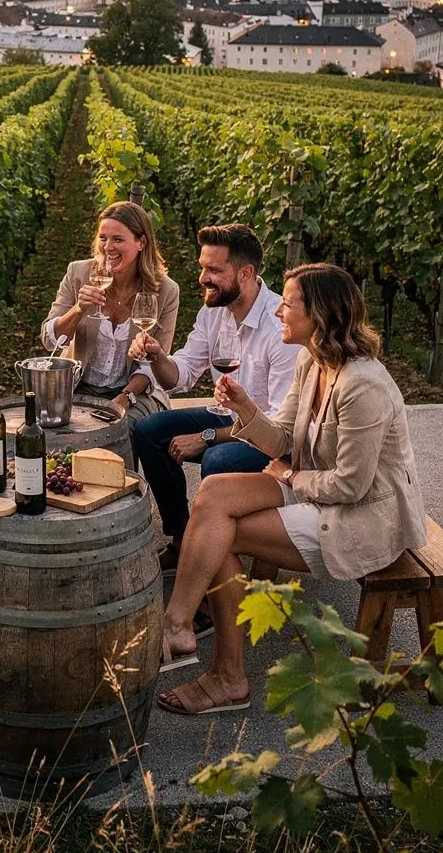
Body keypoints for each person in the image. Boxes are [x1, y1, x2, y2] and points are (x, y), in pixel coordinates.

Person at [157, 263, 427, 716]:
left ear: (319, 314)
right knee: (215, 494)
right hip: (318, 487)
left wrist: (287, 477)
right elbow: (282, 438)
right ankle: (180, 624)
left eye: (289, 302)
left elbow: (350, 485)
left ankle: (225, 674)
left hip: (364, 518)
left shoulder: (363, 386)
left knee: (224, 531)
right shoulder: (313, 360)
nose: (278, 310)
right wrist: (245, 409)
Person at [131, 224, 298, 571]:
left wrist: (205, 437)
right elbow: (181, 376)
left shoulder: (280, 325)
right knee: (149, 430)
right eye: (202, 267)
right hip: (230, 417)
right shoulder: (213, 311)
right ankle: (181, 539)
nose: (203, 278)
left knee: (217, 461)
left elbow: (280, 427)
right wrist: (157, 356)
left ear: (246, 272)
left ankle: (213, 566)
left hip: (272, 434)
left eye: (214, 270)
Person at [41, 202, 179, 441]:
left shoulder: (165, 291)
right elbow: (49, 339)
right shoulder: (79, 274)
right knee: (56, 430)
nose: (108, 247)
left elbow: (152, 364)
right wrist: (78, 309)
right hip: (79, 385)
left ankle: (127, 478)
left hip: (134, 390)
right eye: (103, 238)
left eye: (118, 240)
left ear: (141, 243)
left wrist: (124, 398)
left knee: (124, 429)